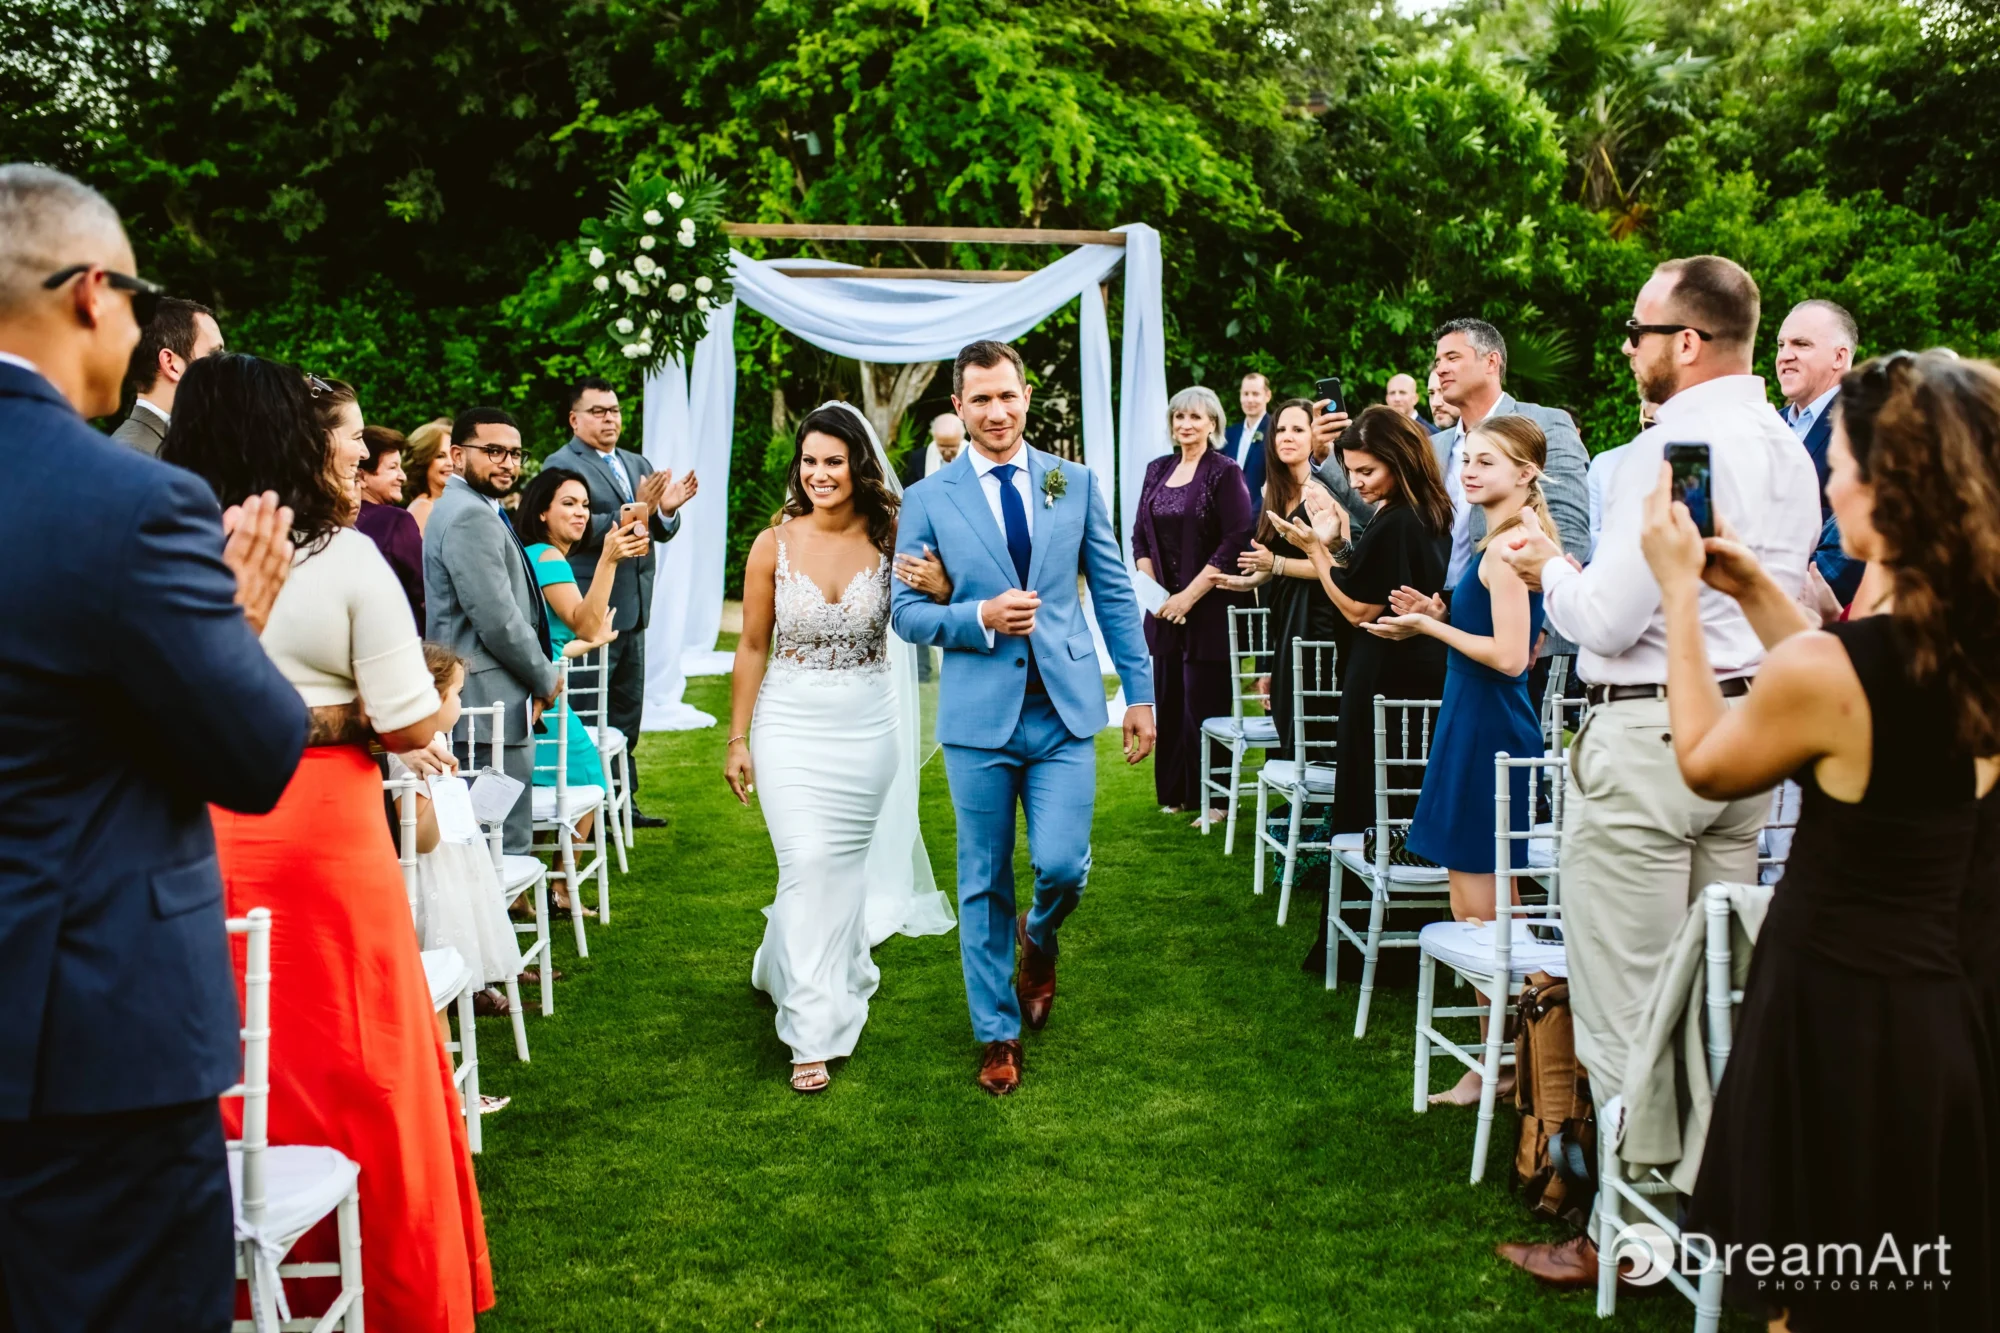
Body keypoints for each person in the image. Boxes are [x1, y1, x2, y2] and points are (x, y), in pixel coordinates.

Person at [0, 163, 304, 1332]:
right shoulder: (130, 504)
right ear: (90, 293)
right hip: (88, 1046)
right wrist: (233, 629)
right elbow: (253, 752)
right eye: (134, 301)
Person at [1643, 350, 1999, 1329]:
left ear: (1890, 487)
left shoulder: (1833, 670)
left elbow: (1708, 758)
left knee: (1815, 1302)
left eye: (1839, 460)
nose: (1829, 479)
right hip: (1945, 1026)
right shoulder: (1965, 645)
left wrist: (1679, 593)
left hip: (1833, 1026)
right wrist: (1761, 591)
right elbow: (1846, 683)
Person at [1494, 254, 1821, 1289]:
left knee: (1629, 1005)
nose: (1627, 350)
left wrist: (1543, 562)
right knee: (1712, 998)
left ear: (1685, 341)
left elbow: (1611, 614)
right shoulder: (1783, 445)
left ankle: (1628, 1240)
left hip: (1649, 740)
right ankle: (1712, 1214)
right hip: (1746, 739)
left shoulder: (1682, 447)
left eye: (1637, 333)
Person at [163, 354, 494, 1330]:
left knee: (224, 1049)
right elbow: (409, 726)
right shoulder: (345, 557)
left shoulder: (164, 541)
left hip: (202, 822)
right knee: (355, 1054)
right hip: (321, 841)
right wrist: (341, 714)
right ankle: (388, 1287)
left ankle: (222, 1273)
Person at [890, 339, 1155, 1096]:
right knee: (981, 879)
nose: (996, 411)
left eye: (1007, 396)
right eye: (980, 399)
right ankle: (996, 1032)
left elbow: (1111, 592)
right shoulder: (928, 499)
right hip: (979, 718)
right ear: (958, 408)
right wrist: (976, 613)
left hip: (1065, 708)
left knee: (1064, 865)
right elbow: (907, 614)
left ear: (1027, 396)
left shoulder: (1072, 483)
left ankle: (1039, 937)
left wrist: (1139, 693)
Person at [726, 402, 956, 1093]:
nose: (820, 473)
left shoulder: (892, 538)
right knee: (806, 860)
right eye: (810, 461)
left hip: (867, 727)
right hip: (788, 721)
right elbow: (752, 643)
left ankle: (781, 963)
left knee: (837, 869)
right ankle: (811, 1031)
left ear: (857, 465)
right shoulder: (774, 543)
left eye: (833, 460)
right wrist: (737, 738)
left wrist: (942, 589)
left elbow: (924, 619)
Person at [1367, 415, 1553, 1106]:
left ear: (1525, 474)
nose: (1469, 470)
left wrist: (1428, 625)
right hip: (1472, 717)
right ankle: (1505, 1060)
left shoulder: (1513, 546)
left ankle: (1504, 1062)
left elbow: (1512, 658)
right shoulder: (1496, 539)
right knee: (1479, 900)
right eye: (1467, 459)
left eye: (1487, 462)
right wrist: (1440, 608)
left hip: (1489, 728)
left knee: (1484, 911)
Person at [1273, 406, 1454, 842]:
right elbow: (1369, 577)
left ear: (1400, 459)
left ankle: (1368, 898)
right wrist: (1339, 544)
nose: (1355, 483)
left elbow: (1358, 608)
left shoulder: (1401, 519)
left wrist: (1314, 549)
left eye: (1366, 471)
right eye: (1351, 471)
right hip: (1402, 668)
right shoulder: (1421, 510)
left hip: (1386, 673)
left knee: (1372, 791)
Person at [548, 376, 696, 829]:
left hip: (633, 607)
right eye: (598, 411)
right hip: (592, 607)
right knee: (591, 711)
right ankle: (591, 808)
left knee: (627, 712)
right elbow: (575, 527)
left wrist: (665, 509)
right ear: (575, 419)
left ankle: (624, 804)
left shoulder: (635, 461)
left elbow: (656, 530)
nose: (609, 418)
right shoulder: (561, 465)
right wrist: (635, 506)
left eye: (613, 410)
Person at [425, 407, 561, 855]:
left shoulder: (476, 508)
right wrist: (545, 676)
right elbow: (497, 618)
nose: (508, 463)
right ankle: (499, 919)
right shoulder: (470, 515)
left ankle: (508, 911)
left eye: (516, 454)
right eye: (495, 451)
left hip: (488, 693)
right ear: (458, 455)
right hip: (486, 700)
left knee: (494, 832)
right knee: (498, 838)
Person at [513, 465, 649, 886]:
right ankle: (560, 885)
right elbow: (583, 623)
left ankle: (530, 886)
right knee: (591, 777)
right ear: (541, 512)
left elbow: (556, 643)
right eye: (568, 504)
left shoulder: (532, 555)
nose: (581, 514)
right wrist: (608, 559)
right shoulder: (548, 556)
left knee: (545, 789)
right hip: (546, 699)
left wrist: (592, 641)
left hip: (534, 691)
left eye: (586, 505)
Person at [1132, 385, 1254, 819]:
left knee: (1205, 704)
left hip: (1208, 607)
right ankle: (1177, 794)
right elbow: (1140, 535)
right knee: (1168, 698)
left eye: (1195, 418)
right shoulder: (1157, 469)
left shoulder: (1225, 471)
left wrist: (1188, 596)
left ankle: (1215, 800)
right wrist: (1156, 593)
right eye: (1179, 418)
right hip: (1164, 608)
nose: (1186, 425)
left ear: (1213, 424)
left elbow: (1237, 536)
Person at [390, 643, 525, 1025]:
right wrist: (441, 786)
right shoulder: (412, 754)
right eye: (458, 694)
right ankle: (441, 1025)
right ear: (431, 699)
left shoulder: (435, 741)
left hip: (454, 861)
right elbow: (420, 838)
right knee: (439, 954)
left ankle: (455, 1014)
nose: (462, 703)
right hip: (430, 873)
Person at [1218, 398, 1342, 754]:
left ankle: (1325, 803)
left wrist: (1274, 565)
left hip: (1319, 618)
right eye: (1280, 430)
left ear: (1314, 437)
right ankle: (1295, 800)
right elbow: (1278, 561)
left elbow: (1335, 567)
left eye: (1298, 430)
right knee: (1287, 709)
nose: (1287, 437)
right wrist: (1250, 580)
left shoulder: (1322, 492)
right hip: (1285, 615)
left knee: (1317, 711)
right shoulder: (1273, 491)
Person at [1775, 298, 1864, 603]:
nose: (1785, 355)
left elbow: (1850, 555)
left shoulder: (1865, 425)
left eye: (1801, 344)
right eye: (1780, 345)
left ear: (1839, 357)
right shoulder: (1769, 424)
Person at [109, 294, 222, 455]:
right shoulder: (133, 455)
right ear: (171, 364)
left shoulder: (186, 441)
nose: (227, 366)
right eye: (215, 355)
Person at [356, 423, 425, 625]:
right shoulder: (396, 521)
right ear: (362, 476)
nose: (402, 476)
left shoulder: (335, 520)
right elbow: (424, 590)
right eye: (393, 468)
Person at [1225, 371, 1274, 513]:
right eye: (1245, 394)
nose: (1249, 400)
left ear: (1267, 396)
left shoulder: (1275, 431)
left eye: (1255, 394)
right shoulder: (1230, 433)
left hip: (1261, 515)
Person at [402, 416, 454, 532]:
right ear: (424, 461)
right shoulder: (423, 509)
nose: (451, 463)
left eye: (454, 455)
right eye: (440, 456)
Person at [899, 411, 968, 487]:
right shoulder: (919, 458)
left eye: (952, 446)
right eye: (942, 446)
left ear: (961, 439)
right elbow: (909, 490)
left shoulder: (974, 455)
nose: (947, 452)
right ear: (935, 438)